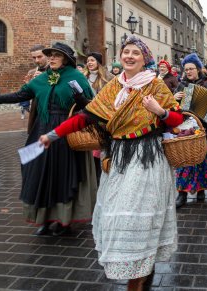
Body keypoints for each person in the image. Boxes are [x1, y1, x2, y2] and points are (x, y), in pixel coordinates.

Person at [39, 35, 183, 290]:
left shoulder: (156, 86)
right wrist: (53, 135)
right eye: (126, 51)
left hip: (147, 159)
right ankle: (135, 271)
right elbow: (86, 116)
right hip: (118, 159)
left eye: (135, 53)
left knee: (141, 218)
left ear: (144, 59)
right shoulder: (113, 87)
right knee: (120, 216)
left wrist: (159, 111)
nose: (129, 56)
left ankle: (139, 279)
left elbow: (177, 119)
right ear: (120, 56)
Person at [0, 42, 97, 236]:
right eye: (49, 55)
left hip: (65, 132)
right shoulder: (42, 79)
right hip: (41, 130)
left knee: (62, 176)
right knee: (38, 173)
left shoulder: (77, 77)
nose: (51, 58)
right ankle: (43, 219)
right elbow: (19, 95)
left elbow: (90, 107)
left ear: (66, 59)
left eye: (56, 55)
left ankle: (64, 221)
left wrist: (80, 99)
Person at [174, 53, 207, 207]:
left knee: (203, 160)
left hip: (206, 130)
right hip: (186, 131)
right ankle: (182, 194)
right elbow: (174, 110)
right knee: (185, 161)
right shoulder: (182, 86)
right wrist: (174, 98)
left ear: (198, 69)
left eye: (191, 69)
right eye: (186, 69)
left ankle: (201, 190)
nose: (188, 72)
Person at [84, 52, 114, 184]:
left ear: (98, 62)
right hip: (85, 115)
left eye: (92, 60)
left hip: (100, 117)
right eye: (88, 61)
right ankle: (90, 177)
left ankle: (100, 177)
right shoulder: (83, 77)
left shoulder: (108, 78)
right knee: (87, 146)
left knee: (99, 148)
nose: (89, 63)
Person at [24, 44, 50, 134]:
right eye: (34, 58)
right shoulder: (31, 72)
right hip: (36, 109)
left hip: (50, 111)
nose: (37, 60)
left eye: (39, 57)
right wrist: (29, 85)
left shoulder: (54, 70)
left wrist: (45, 79)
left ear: (47, 56)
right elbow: (28, 94)